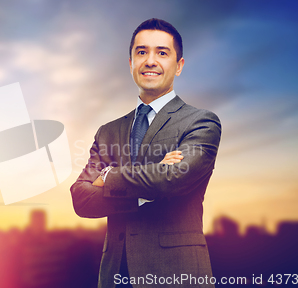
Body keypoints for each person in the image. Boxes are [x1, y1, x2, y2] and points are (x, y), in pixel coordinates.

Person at [70, 18, 221, 288]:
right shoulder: (108, 131)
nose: (150, 61)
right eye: (142, 52)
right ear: (131, 64)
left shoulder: (201, 122)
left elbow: (172, 179)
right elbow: (81, 199)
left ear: (179, 66)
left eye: (162, 53)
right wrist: (151, 180)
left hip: (177, 275)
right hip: (116, 276)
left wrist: (108, 177)